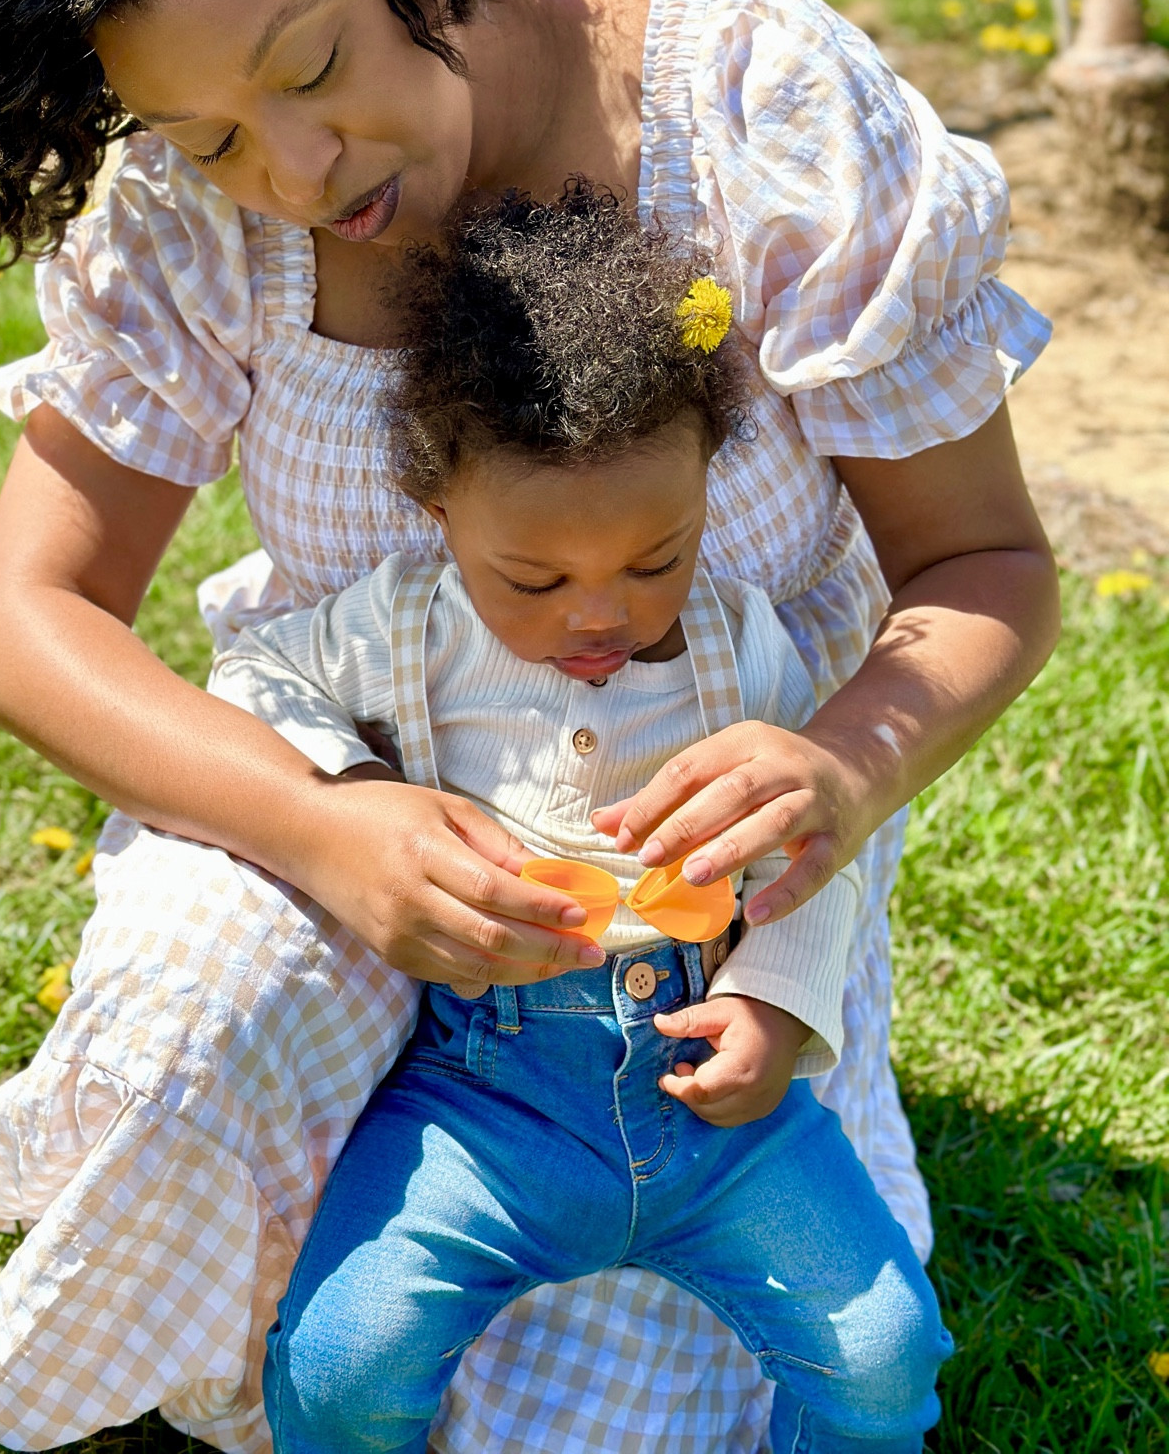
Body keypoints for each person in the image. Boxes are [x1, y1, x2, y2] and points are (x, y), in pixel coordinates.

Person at [0, 0, 1056, 1454]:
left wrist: (839, 770)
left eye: (308, 67)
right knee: (212, 1017)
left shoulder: (752, 117)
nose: (294, 173)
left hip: (686, 900)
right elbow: (26, 619)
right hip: (333, 827)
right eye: (205, 135)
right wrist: (325, 825)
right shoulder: (203, 232)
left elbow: (985, 565)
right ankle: (183, 1332)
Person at [222, 181, 954, 1454]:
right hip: (484, 1089)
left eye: (653, 557)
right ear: (441, 510)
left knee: (886, 1356)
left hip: (712, 1098)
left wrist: (776, 1007)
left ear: (704, 499)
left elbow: (811, 854)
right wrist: (353, 804)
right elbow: (257, 677)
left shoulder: (738, 645)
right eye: (536, 577)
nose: (599, 615)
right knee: (344, 1359)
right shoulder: (402, 627)